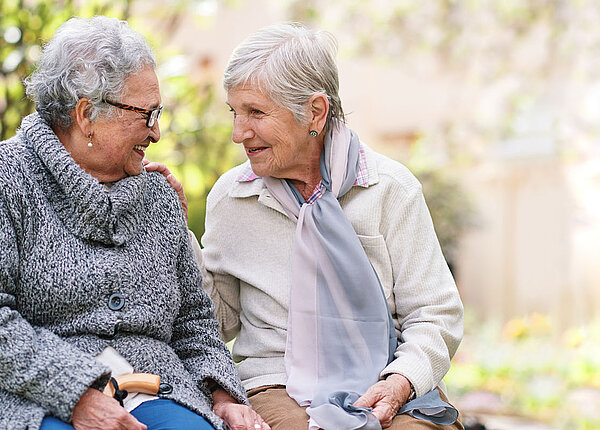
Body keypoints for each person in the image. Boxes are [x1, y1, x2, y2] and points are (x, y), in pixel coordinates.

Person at [151, 23, 465, 430]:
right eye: (235, 112)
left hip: (387, 378)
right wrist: (177, 233)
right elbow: (218, 321)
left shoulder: (390, 189)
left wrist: (400, 382)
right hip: (275, 384)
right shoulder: (232, 197)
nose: (237, 133)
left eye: (256, 112)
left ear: (314, 111)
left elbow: (434, 313)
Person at [0, 16, 269, 430]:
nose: (157, 132)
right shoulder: (9, 180)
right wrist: (76, 393)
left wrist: (223, 396)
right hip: (41, 395)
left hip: (159, 390)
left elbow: (195, 322)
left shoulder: (158, 196)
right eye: (147, 115)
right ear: (87, 114)